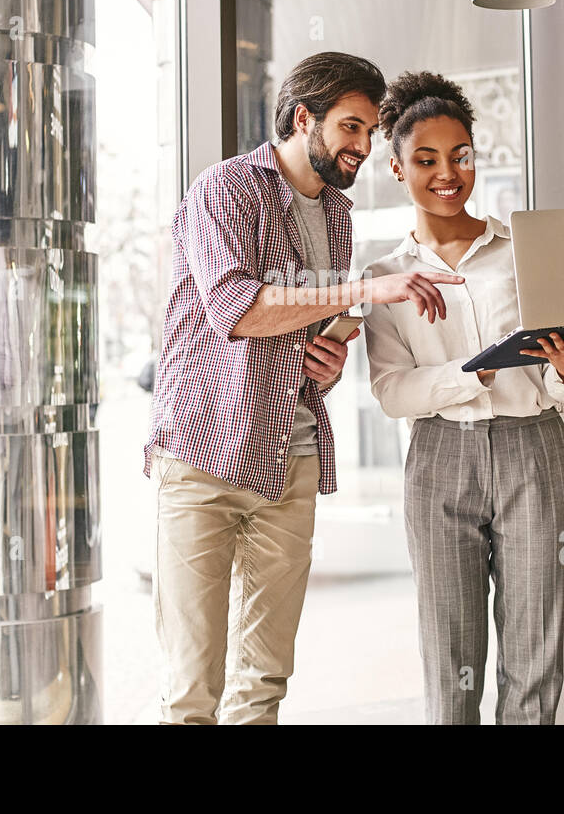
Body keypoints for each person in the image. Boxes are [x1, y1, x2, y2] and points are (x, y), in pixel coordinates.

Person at [143, 52, 466, 724]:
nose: (363, 147)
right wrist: (363, 290)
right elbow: (239, 309)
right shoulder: (225, 191)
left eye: (371, 132)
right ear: (302, 118)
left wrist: (329, 352)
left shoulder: (338, 216)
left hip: (288, 458)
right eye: (351, 127)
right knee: (191, 687)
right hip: (204, 455)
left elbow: (304, 321)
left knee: (263, 679)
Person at [362, 71, 564, 725]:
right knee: (451, 660)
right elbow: (391, 391)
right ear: (396, 168)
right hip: (440, 457)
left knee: (535, 654)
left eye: (460, 155)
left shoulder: (525, 254)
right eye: (426, 159)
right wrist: (472, 373)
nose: (448, 172)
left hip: (535, 448)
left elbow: (557, 380)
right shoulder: (386, 277)